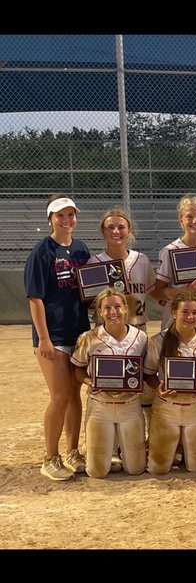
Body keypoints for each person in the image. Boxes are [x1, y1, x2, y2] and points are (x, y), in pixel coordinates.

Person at [88, 205, 167, 462]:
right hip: (107, 337)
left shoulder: (141, 260)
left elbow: (155, 292)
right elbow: (89, 302)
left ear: (129, 230)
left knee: (146, 390)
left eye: (121, 227)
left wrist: (183, 293)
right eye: (110, 227)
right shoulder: (94, 263)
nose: (116, 231)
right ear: (103, 232)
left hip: (138, 332)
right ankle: (111, 447)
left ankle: (153, 443)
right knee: (110, 391)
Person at [24, 194, 91, 482]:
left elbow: (88, 291)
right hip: (54, 336)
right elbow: (35, 298)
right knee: (60, 396)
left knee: (75, 395)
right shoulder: (43, 251)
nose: (66, 220)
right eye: (60, 215)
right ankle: (50, 458)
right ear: (50, 218)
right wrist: (44, 338)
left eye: (70, 215)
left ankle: (73, 451)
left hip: (78, 333)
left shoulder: (81, 249)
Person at [70, 289, 148, 478]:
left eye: (118, 307)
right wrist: (88, 381)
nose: (113, 312)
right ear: (100, 312)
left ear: (126, 309)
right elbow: (78, 369)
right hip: (100, 406)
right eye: (107, 308)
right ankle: (93, 445)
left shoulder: (140, 338)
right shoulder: (88, 337)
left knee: (136, 469)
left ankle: (119, 446)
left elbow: (146, 371)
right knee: (97, 472)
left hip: (130, 405)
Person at [144, 290, 196, 475]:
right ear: (173, 313)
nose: (190, 317)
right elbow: (148, 374)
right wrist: (158, 389)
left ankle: (184, 447)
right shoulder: (157, 341)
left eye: (195, 312)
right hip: (167, 406)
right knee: (158, 468)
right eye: (185, 312)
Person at [153, 197, 196, 335]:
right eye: (189, 217)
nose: (195, 221)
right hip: (178, 313)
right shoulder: (169, 250)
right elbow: (158, 292)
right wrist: (185, 291)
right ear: (181, 220)